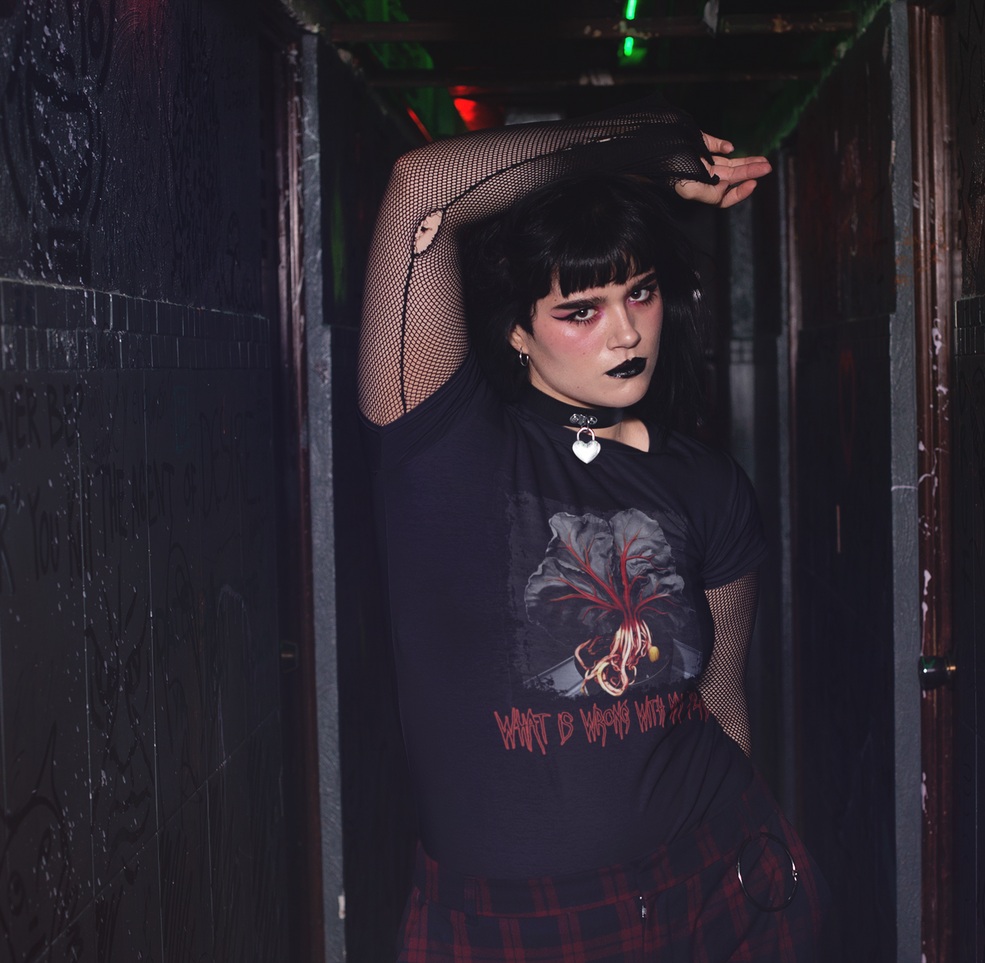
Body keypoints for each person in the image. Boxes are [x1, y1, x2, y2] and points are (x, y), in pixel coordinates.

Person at [359, 97, 827, 962]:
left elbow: (720, 703)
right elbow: (422, 188)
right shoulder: (444, 453)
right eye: (580, 309)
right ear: (516, 331)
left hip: (712, 875)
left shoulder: (705, 481)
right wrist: (649, 146)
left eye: (638, 293)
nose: (624, 332)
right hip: (517, 923)